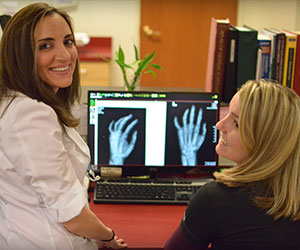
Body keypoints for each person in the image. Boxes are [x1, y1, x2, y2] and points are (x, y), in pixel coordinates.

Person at [0, 3, 127, 250]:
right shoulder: (30, 115)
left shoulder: (20, 103)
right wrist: (107, 236)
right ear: (20, 55)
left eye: (67, 41)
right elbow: (71, 215)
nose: (65, 55)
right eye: (45, 45)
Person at [165, 80, 300, 250]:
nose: (219, 125)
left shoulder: (215, 198)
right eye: (227, 113)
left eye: (236, 123)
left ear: (264, 142)